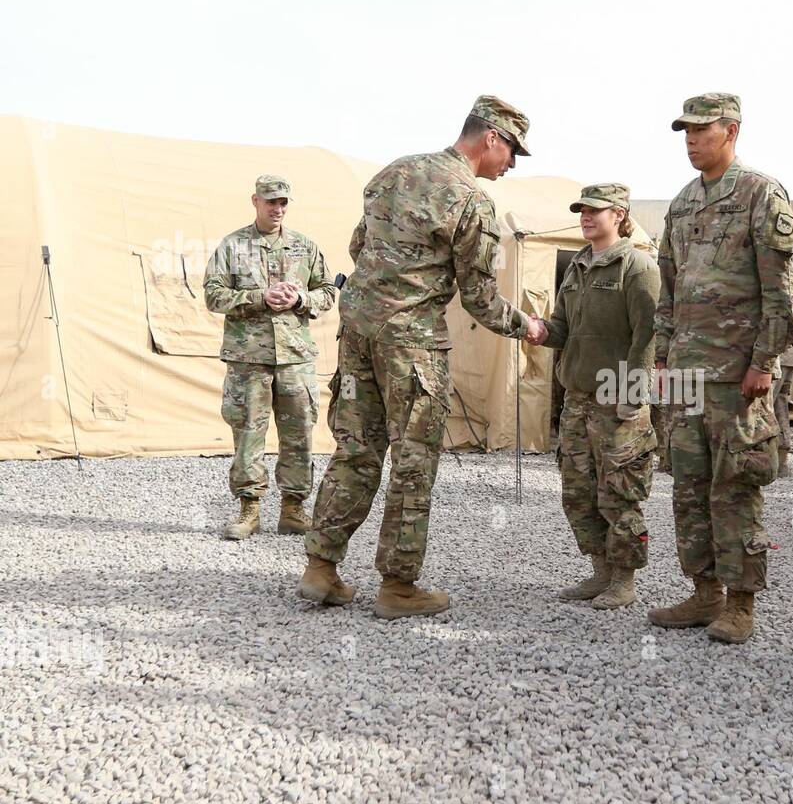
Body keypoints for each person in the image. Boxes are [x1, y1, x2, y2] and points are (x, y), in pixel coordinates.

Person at [297, 96, 545, 619]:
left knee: (355, 451)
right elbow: (480, 300)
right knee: (413, 464)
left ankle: (321, 568)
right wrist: (531, 327)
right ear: (491, 138)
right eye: (513, 152)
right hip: (411, 347)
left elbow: (359, 246)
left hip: (357, 332)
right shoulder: (471, 201)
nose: (513, 165)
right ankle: (398, 587)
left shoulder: (394, 172)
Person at [646, 93, 793, 644]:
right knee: (688, 487)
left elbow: (783, 289)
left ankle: (740, 602)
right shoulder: (683, 203)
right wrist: (662, 355)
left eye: (701, 130)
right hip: (687, 374)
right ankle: (704, 591)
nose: (690, 140)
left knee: (735, 487)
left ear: (731, 130)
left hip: (737, 376)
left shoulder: (761, 193)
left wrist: (765, 359)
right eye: (684, 131)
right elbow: (670, 285)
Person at [533, 184, 660, 609]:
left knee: (620, 491)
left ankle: (624, 580)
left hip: (616, 396)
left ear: (619, 215)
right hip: (578, 397)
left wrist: (634, 393)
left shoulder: (637, 266)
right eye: (582, 211)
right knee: (578, 490)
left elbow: (647, 336)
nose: (586, 217)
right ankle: (600, 572)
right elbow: (562, 329)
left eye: (595, 211)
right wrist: (536, 331)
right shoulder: (577, 268)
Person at [204, 175, 337, 541]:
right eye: (271, 202)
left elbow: (327, 291)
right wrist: (259, 297)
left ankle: (294, 509)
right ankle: (249, 509)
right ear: (255, 201)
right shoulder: (233, 246)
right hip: (250, 358)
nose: (277, 209)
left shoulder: (304, 247)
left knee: (299, 433)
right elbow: (213, 296)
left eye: (283, 203)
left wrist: (301, 300)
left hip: (295, 357)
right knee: (248, 431)